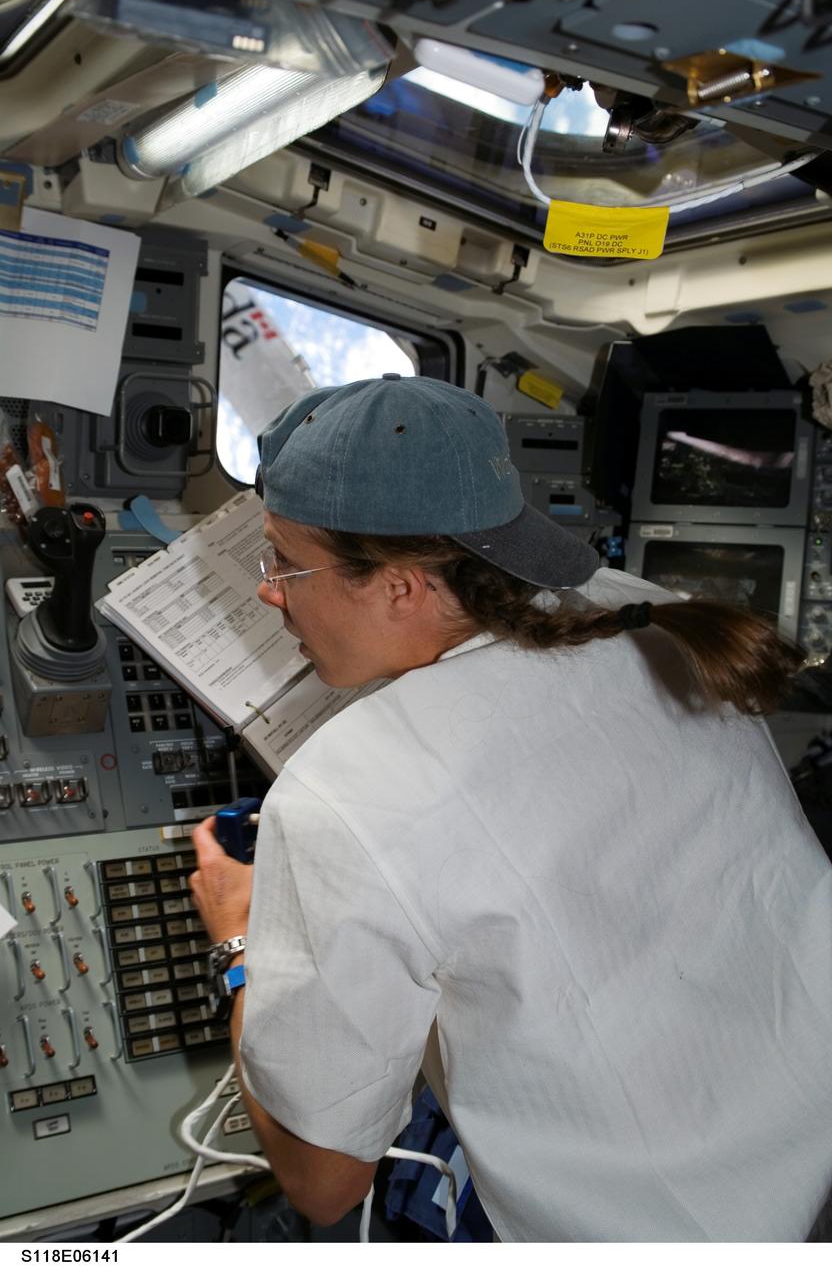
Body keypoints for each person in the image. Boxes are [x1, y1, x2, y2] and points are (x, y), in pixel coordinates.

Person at [189, 374, 832, 1242]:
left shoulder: (343, 797)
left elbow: (322, 1182)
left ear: (401, 587)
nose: (270, 591)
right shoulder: (644, 614)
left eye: (283, 564)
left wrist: (240, 944)